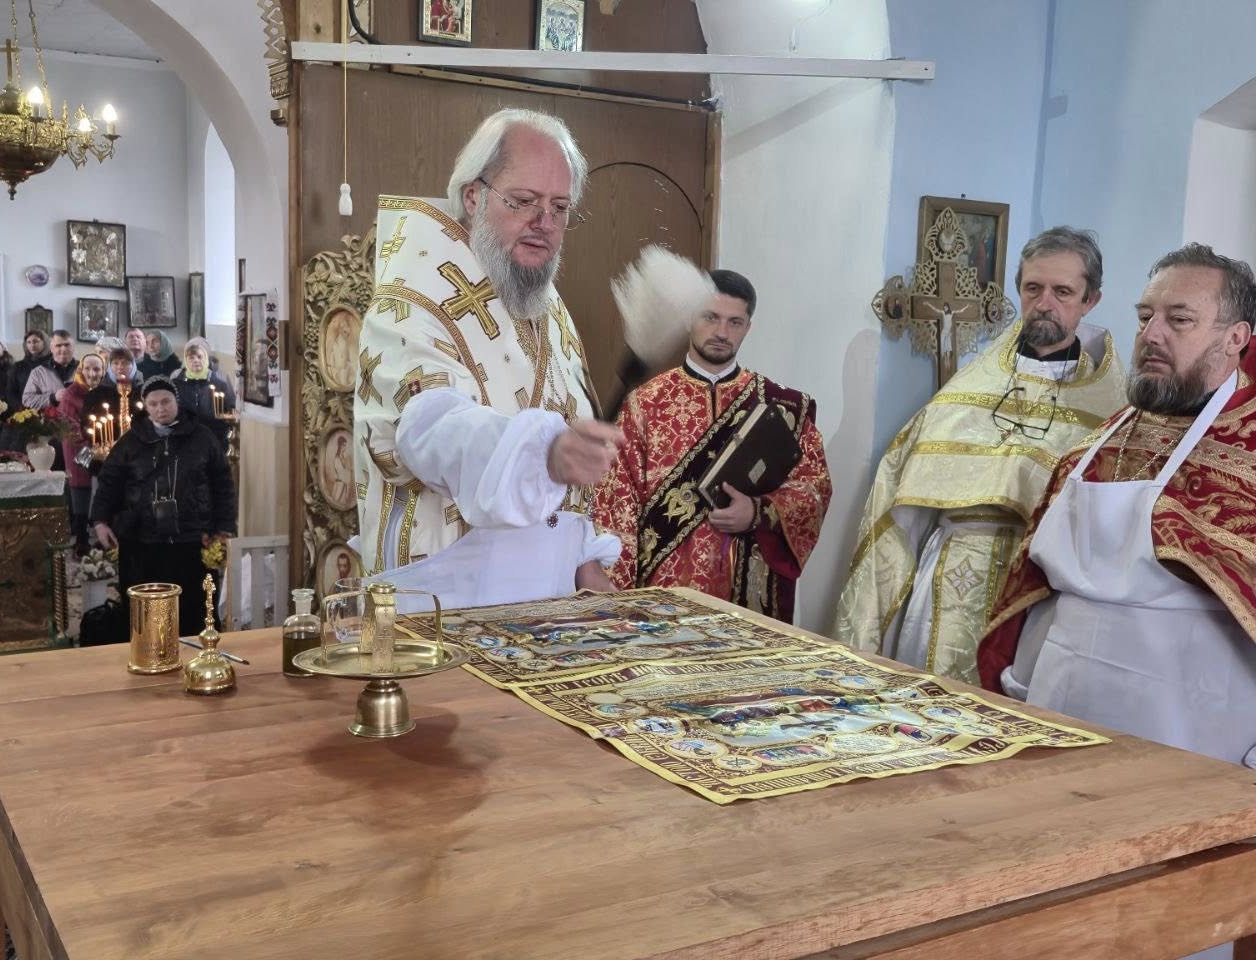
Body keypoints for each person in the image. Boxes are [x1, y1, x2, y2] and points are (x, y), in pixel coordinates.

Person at [980, 243, 1256, 772]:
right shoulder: (1102, 441)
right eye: (1145, 316)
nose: (1152, 335)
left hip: (1188, 734)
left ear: (1235, 338)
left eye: (1179, 320)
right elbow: (1034, 588)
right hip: (1059, 707)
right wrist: (1018, 682)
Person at [353, 107, 621, 610]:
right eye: (524, 201)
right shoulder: (411, 301)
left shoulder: (545, 305)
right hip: (444, 608)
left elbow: (570, 450)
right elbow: (431, 431)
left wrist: (583, 560)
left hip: (549, 611)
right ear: (474, 196)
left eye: (560, 207)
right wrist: (545, 455)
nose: (544, 223)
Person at [833, 227, 1127, 684]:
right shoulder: (969, 388)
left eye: (1063, 291)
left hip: (1038, 587)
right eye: (1033, 288)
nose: (1044, 303)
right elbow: (902, 506)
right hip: (948, 576)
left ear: (1090, 300)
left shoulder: (1110, 411)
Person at [591, 269, 832, 622]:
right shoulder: (645, 404)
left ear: (748, 327)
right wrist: (618, 605)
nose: (722, 332)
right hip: (664, 597)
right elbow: (616, 506)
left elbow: (814, 488)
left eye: (735, 322)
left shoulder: (780, 407)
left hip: (748, 594)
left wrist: (759, 510)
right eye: (711, 317)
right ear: (690, 318)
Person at [91, 377, 236, 637]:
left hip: (192, 537)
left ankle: (197, 653)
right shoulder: (131, 441)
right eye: (154, 404)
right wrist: (100, 521)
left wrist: (224, 527)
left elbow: (222, 483)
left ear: (176, 402)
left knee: (195, 608)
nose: (161, 408)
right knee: (147, 613)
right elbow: (109, 483)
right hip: (143, 540)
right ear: (146, 407)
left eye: (166, 401)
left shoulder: (203, 437)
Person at [59, 354, 106, 556]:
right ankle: (81, 538)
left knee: (103, 490)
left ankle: (102, 536)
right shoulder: (72, 393)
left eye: (97, 369)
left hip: (103, 448)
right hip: (78, 449)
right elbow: (68, 425)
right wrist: (92, 444)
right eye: (88, 368)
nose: (92, 373)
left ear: (103, 372)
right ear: (81, 370)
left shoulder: (106, 391)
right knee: (80, 490)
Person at [171, 337, 234, 449]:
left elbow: (230, 407)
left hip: (214, 434)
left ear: (206, 357)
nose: (196, 360)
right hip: (185, 436)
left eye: (200, 356)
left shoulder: (219, 381)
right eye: (191, 357)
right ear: (185, 360)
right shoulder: (177, 381)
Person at [84, 347, 145, 431]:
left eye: (125, 363)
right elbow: (89, 422)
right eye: (116, 363)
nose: (120, 367)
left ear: (133, 366)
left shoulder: (143, 391)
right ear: (110, 366)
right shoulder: (98, 393)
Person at [23, 330, 78, 410]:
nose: (63, 349)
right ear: (51, 349)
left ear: (73, 347)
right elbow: (27, 400)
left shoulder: (84, 368)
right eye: (58, 345)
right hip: (50, 417)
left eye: (67, 345)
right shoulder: (38, 373)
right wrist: (53, 398)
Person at [5, 329, 48, 412]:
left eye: (35, 341)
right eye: (29, 342)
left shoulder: (52, 364)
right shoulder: (18, 366)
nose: (32, 345)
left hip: (48, 411)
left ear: (44, 343)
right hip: (24, 412)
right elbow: (11, 391)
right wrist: (21, 408)